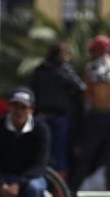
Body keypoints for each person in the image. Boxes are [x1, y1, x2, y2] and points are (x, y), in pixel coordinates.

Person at [74, 35, 110, 193]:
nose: (91, 54)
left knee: (86, 155)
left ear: (99, 50)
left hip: (96, 115)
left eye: (93, 51)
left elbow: (87, 95)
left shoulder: (91, 69)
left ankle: (74, 190)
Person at [30, 41, 85, 177]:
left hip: (44, 116)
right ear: (61, 54)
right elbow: (81, 88)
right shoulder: (63, 70)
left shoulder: (40, 70)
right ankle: (56, 189)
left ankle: (53, 186)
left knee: (44, 150)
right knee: (56, 152)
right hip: (58, 117)